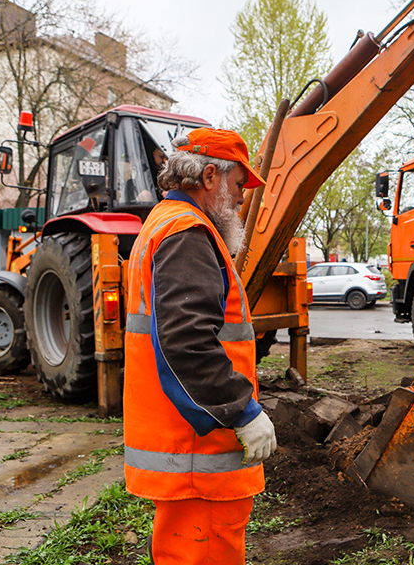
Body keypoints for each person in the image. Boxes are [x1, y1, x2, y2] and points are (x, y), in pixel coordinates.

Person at [123, 127, 275, 565]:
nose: (242, 197)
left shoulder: (166, 225)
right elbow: (186, 341)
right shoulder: (187, 232)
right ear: (209, 176)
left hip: (187, 445)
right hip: (198, 452)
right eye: (239, 183)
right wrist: (242, 412)